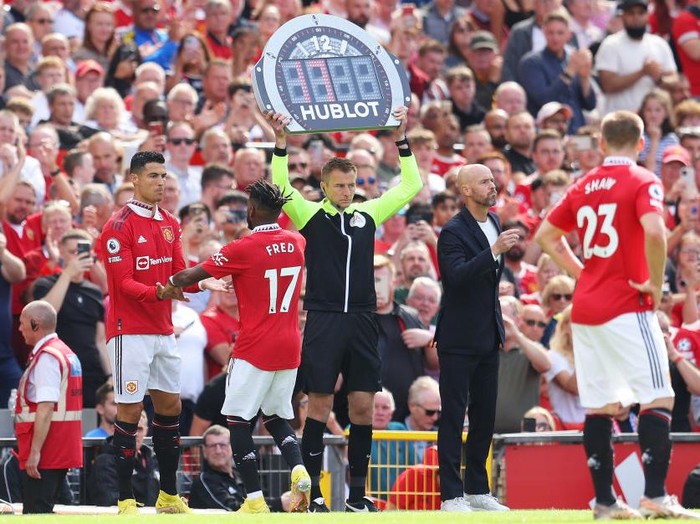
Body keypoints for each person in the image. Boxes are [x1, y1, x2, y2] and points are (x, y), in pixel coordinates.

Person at [535, 110, 699, 520]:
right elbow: (657, 232)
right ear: (642, 144)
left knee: (600, 406)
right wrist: (655, 282)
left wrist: (582, 274)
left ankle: (605, 502)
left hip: (587, 309)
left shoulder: (584, 183)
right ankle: (656, 495)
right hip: (628, 304)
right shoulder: (644, 180)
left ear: (602, 144)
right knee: (659, 395)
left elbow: (545, 237)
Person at [265, 107, 422, 513]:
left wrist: (401, 139)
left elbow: (410, 185)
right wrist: (281, 142)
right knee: (317, 404)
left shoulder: (368, 214)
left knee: (363, 406)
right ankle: (314, 494)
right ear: (324, 185)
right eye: (339, 185)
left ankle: (356, 495)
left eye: (352, 185)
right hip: (324, 319)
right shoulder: (310, 215)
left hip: (363, 321)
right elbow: (280, 184)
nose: (347, 191)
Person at [166, 179, 312, 514]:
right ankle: (298, 468)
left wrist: (169, 282)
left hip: (254, 346)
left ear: (253, 209)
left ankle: (255, 500)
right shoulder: (297, 242)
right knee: (277, 417)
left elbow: (190, 276)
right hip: (290, 345)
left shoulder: (242, 249)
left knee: (237, 420)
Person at [100, 151, 222, 515]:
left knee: (170, 408)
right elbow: (122, 285)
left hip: (162, 329)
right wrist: (160, 292)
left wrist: (205, 282)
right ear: (134, 179)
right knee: (129, 410)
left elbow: (179, 272)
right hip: (129, 331)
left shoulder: (169, 221)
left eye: (164, 176)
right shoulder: (118, 226)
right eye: (153, 176)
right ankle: (125, 499)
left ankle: (168, 495)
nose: (161, 183)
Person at [435, 163, 518, 512]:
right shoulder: (453, 231)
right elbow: (454, 277)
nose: (493, 185)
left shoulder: (494, 222)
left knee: (485, 415)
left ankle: (477, 490)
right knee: (454, 417)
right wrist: (494, 251)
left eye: (492, 180)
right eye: (485, 181)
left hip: (488, 334)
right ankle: (451, 495)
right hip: (458, 337)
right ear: (466, 190)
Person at [13, 300, 83, 514]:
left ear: (36, 324)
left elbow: (45, 408)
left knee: (36, 512)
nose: (19, 328)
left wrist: (35, 452)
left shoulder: (47, 358)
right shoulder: (65, 353)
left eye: (23, 322)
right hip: (62, 446)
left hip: (46, 451)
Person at [87, 410, 160, 506]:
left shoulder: (154, 460)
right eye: (130, 429)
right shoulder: (104, 463)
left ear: (146, 430)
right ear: (115, 430)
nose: (135, 434)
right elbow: (109, 500)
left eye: (139, 429)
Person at [188, 425, 246, 511]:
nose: (218, 451)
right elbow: (230, 509)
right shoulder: (204, 481)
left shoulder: (240, 475)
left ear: (232, 447)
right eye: (212, 446)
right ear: (204, 451)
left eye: (222, 445)